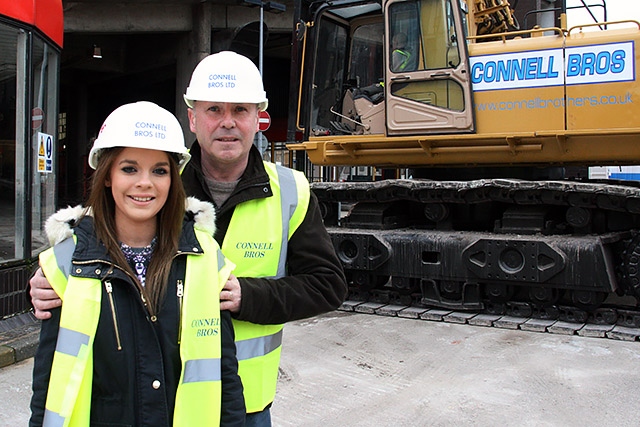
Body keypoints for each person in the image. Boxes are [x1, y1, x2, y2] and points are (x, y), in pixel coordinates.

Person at [30, 51, 348, 426]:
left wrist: (249, 296)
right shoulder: (159, 180)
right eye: (214, 109)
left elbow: (328, 285)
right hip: (163, 391)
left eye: (240, 110)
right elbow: (101, 235)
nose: (227, 123)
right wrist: (56, 273)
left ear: (258, 119)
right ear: (193, 118)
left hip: (246, 399)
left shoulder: (291, 191)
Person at [29, 101, 245, 426]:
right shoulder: (66, 264)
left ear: (173, 179)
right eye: (129, 169)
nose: (145, 182)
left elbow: (225, 374)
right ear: (106, 177)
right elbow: (47, 385)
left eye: (159, 170)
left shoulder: (203, 257)